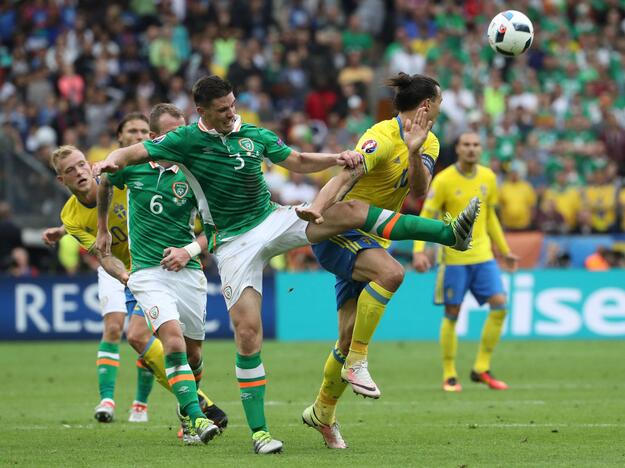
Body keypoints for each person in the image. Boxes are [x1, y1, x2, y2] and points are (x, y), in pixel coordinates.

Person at [93, 75, 479, 454]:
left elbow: (296, 160)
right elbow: (135, 154)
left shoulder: (254, 135)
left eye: (233, 105)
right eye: (222, 110)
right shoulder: (185, 139)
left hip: (271, 219)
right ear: (202, 112)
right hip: (231, 244)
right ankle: (260, 433)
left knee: (350, 211)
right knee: (247, 334)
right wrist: (110, 160)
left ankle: (449, 234)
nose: (231, 114)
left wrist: (336, 157)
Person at [44, 114, 225, 426]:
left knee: (156, 340)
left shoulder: (135, 174)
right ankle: (184, 405)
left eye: (81, 164)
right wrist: (124, 275)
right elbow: (100, 250)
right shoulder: (78, 210)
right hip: (122, 269)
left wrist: (189, 246)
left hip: (154, 262)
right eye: (70, 170)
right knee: (126, 331)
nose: (79, 171)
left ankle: (156, 403)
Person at [302, 72, 447, 449]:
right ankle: (358, 363)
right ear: (427, 105)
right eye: (439, 101)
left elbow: (418, 190)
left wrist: (414, 150)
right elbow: (345, 178)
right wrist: (318, 209)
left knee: (346, 336)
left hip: (372, 235)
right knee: (392, 273)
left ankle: (322, 413)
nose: (441, 107)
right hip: (341, 230)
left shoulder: (428, 140)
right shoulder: (379, 136)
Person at [96, 103, 225, 445]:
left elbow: (214, 231)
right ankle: (197, 418)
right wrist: (103, 228)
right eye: (170, 134)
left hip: (189, 272)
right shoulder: (136, 168)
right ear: (153, 138)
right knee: (172, 342)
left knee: (194, 354)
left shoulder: (195, 173)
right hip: (148, 273)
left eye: (181, 133)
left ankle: (186, 413)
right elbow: (106, 180)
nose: (178, 140)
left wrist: (188, 252)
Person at [412, 132, 518, 393]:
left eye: (476, 144)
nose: (471, 149)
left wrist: (504, 250)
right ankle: (449, 373)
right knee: (452, 314)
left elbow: (490, 216)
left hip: (484, 257)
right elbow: (428, 213)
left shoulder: (488, 177)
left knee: (500, 306)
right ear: (458, 149)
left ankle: (481, 368)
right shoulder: (445, 179)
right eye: (466, 145)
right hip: (454, 259)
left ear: (481, 148)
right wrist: (419, 250)